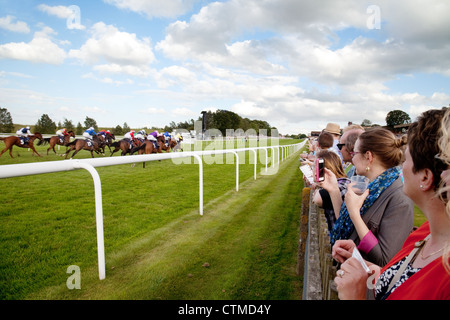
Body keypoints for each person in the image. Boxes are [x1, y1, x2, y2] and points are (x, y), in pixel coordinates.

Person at [333, 108, 450, 300]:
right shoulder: (425, 234)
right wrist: (362, 263)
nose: (400, 167)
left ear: (426, 177)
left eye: (407, 159)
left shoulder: (445, 278)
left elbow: (385, 257)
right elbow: (399, 274)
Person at [329, 127, 414, 267]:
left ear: (368, 156)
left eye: (354, 153)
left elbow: (384, 260)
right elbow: (351, 230)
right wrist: (333, 189)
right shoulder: (371, 187)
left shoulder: (400, 199)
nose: (352, 158)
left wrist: (355, 214)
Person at [313, 150, 351, 233]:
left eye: (314, 167)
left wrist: (317, 192)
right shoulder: (343, 181)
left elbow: (318, 199)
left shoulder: (343, 184)